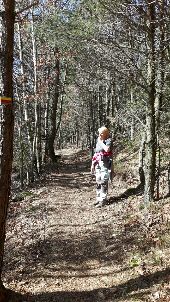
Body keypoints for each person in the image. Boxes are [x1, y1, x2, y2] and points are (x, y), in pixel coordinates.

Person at [91, 126, 113, 207]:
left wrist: (100, 142)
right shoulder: (98, 141)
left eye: (101, 133)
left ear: (105, 134)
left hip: (105, 163)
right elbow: (96, 153)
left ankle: (103, 200)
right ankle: (98, 198)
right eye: (99, 133)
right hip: (97, 163)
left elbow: (107, 149)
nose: (99, 135)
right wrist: (92, 164)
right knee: (98, 180)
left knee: (104, 180)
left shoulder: (108, 140)